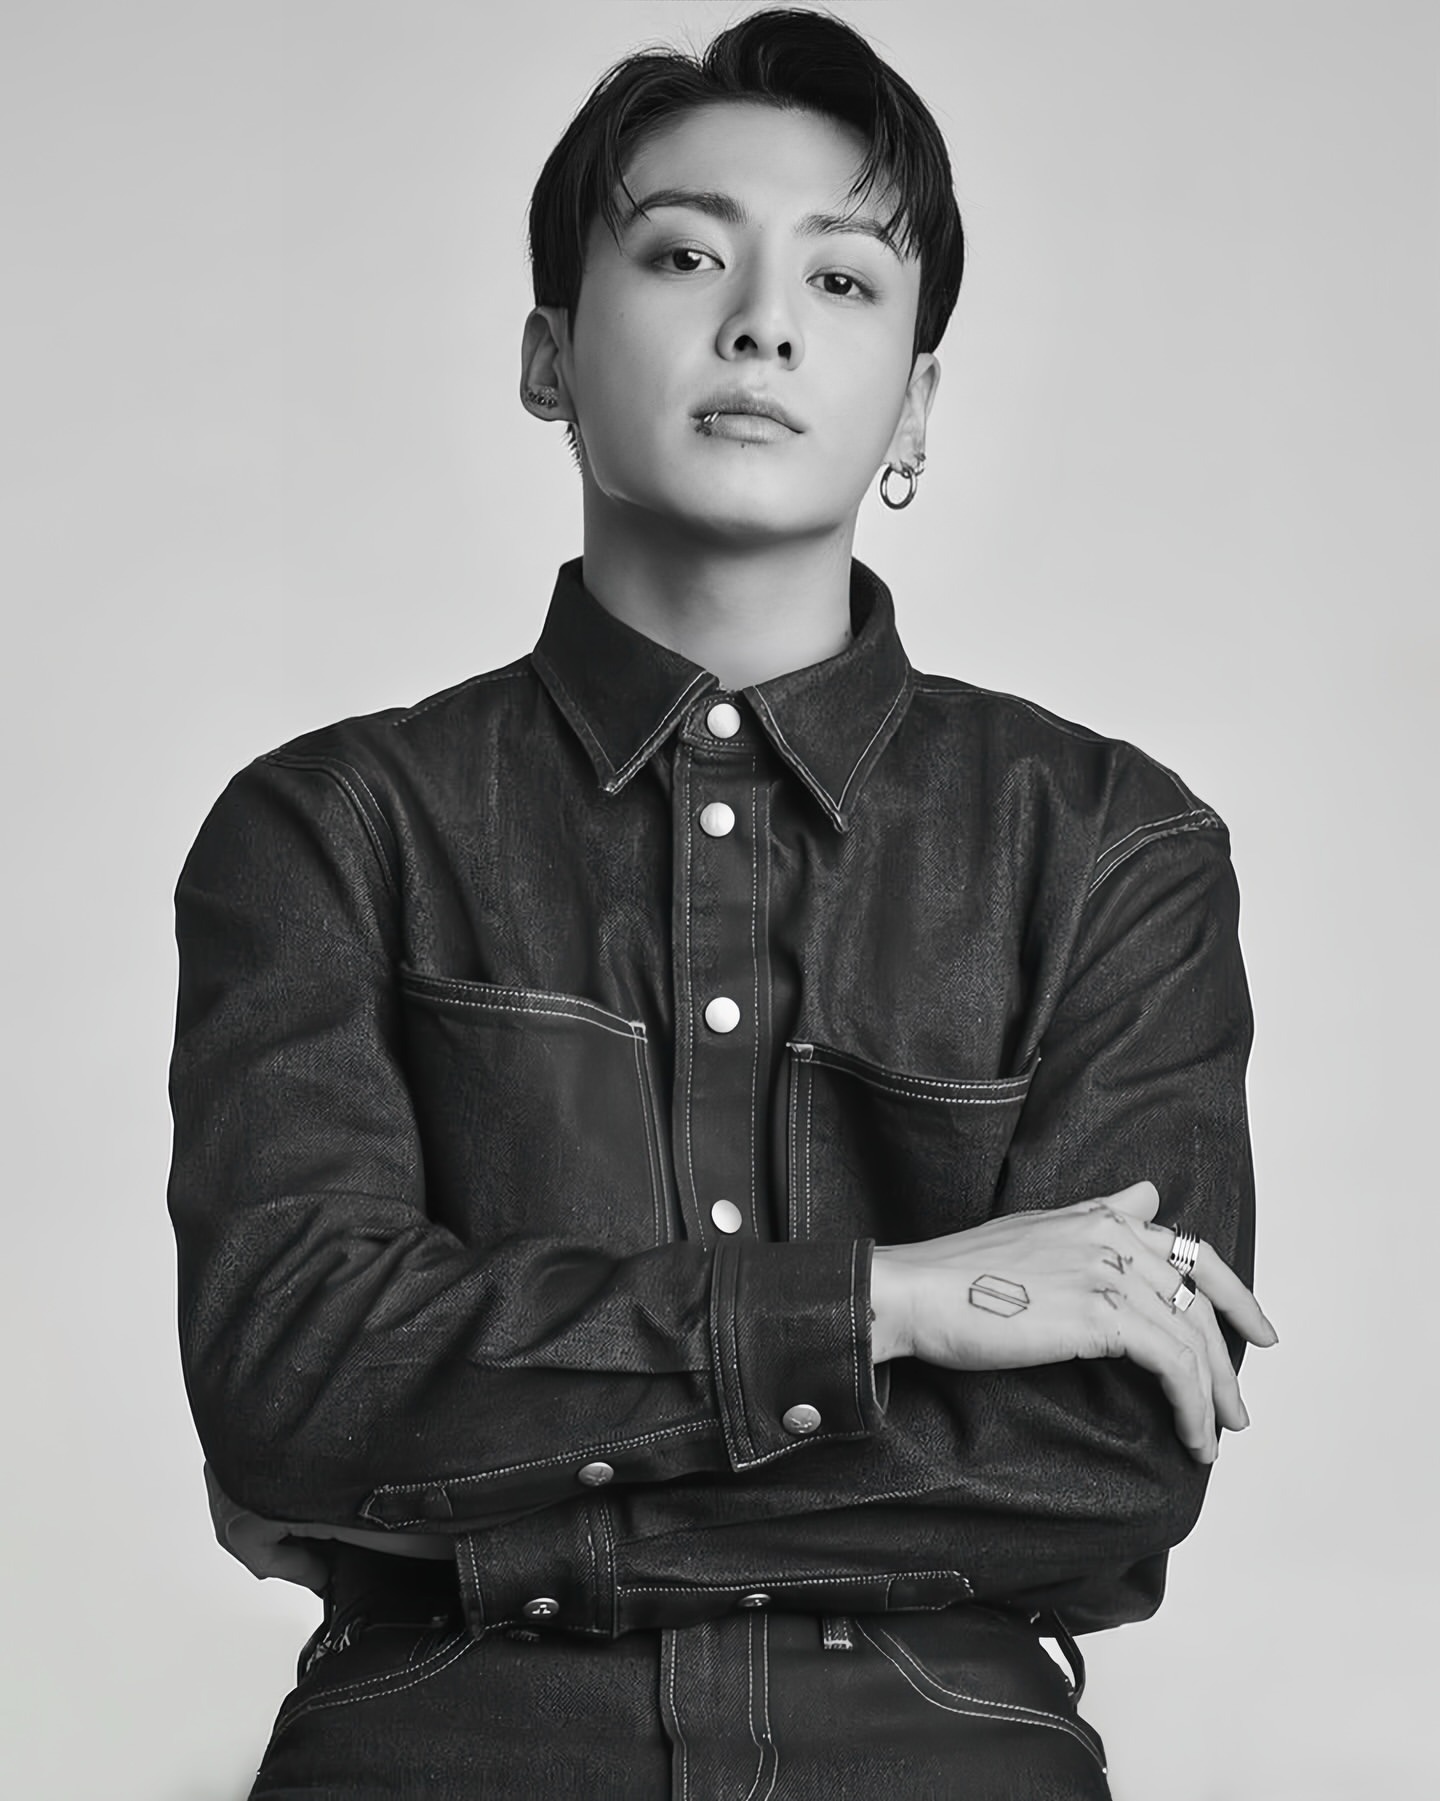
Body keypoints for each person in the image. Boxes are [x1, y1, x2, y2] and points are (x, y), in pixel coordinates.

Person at [168, 10, 1276, 1797]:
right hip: (444, 1751)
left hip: (936, 1754)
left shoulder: (1109, 848)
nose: (762, 321)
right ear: (549, 354)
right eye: (685, 254)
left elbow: (1107, 1454)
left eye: (842, 280)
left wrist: (511, 1536)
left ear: (916, 402)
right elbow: (298, 1378)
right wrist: (886, 1300)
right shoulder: (331, 830)